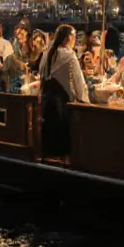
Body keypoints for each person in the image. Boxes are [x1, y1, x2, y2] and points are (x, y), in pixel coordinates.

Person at [38, 24, 89, 157]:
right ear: (68, 38)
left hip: (45, 103)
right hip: (60, 107)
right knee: (62, 145)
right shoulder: (68, 55)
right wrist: (86, 102)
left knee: (49, 144)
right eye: (73, 36)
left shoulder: (47, 53)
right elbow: (79, 84)